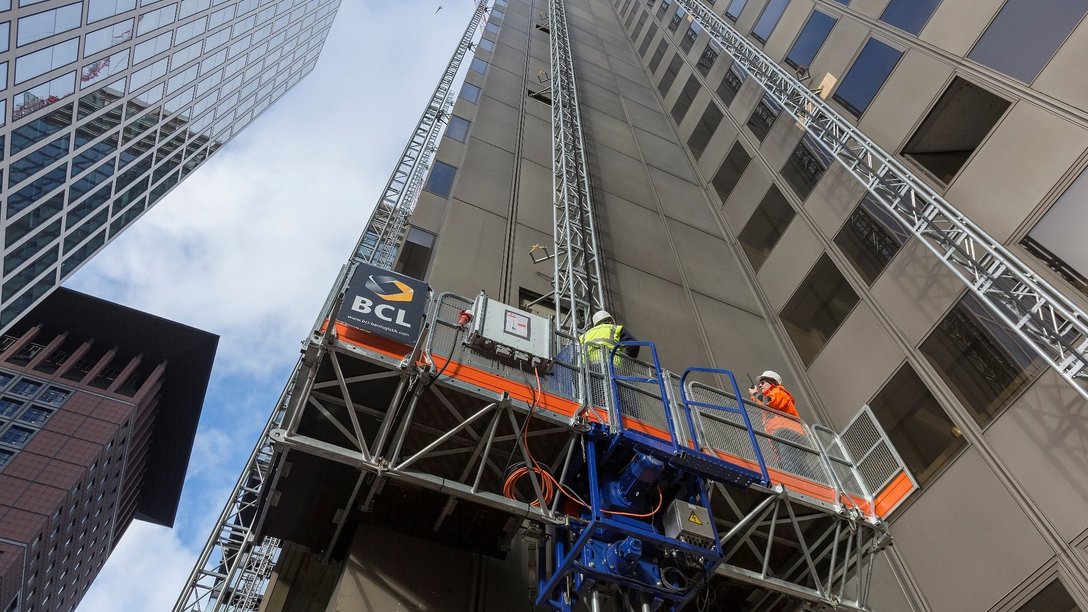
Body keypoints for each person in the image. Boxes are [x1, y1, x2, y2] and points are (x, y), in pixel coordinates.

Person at [748, 370, 808, 476]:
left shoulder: (778, 392)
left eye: (763, 382)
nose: (760, 385)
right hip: (786, 434)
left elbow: (767, 402)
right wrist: (755, 396)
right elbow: (764, 402)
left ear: (772, 382)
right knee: (798, 466)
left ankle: (793, 483)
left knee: (791, 465)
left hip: (787, 433)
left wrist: (755, 394)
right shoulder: (773, 395)